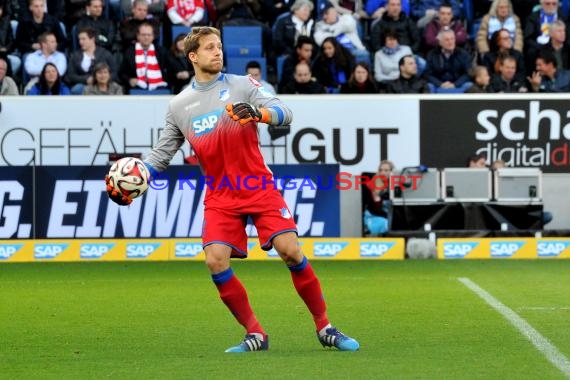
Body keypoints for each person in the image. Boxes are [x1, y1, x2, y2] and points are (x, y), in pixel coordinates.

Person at [105, 26, 359, 352]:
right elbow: (161, 154)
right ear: (193, 56)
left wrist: (259, 113)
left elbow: (285, 113)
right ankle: (255, 333)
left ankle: (325, 327)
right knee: (215, 260)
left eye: (219, 46)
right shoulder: (180, 105)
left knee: (290, 250)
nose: (218, 52)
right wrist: (134, 179)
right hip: (221, 194)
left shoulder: (242, 85)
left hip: (257, 184)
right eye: (209, 48)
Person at [120, 22, 170, 92]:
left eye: (149, 35)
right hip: (137, 87)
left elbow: (170, 70)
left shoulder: (162, 51)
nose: (146, 37)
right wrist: (129, 80)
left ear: (153, 36)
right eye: (143, 35)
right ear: (138, 36)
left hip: (159, 86)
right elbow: (122, 73)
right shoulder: (129, 52)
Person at [66, 27, 117, 95]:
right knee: (76, 89)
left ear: (92, 39)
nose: (80, 42)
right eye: (79, 39)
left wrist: (102, 79)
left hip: (103, 85)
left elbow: (114, 72)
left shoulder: (105, 54)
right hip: (83, 85)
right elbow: (71, 75)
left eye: (83, 39)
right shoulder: (75, 56)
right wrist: (86, 79)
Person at [425, 28, 473, 93]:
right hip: (439, 85)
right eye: (447, 40)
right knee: (429, 86)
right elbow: (427, 74)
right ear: (440, 42)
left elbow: (468, 73)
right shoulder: (432, 54)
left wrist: (455, 84)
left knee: (469, 86)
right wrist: (440, 84)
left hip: (458, 85)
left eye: (452, 39)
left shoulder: (463, 54)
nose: (450, 42)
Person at [363, 160, 394, 235]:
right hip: (373, 217)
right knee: (388, 224)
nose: (383, 173)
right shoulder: (372, 185)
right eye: (381, 170)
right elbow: (375, 209)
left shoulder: (395, 186)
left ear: (392, 172)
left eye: (386, 170)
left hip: (388, 217)